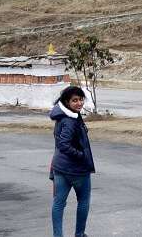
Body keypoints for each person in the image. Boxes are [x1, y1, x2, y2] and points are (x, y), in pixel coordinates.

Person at [49, 86, 95, 237]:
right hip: (76, 170)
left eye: (81, 99)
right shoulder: (70, 120)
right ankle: (79, 234)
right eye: (74, 100)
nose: (79, 103)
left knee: (58, 203)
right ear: (66, 102)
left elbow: (59, 144)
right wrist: (81, 155)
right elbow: (63, 144)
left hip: (60, 168)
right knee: (83, 201)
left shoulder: (62, 116)